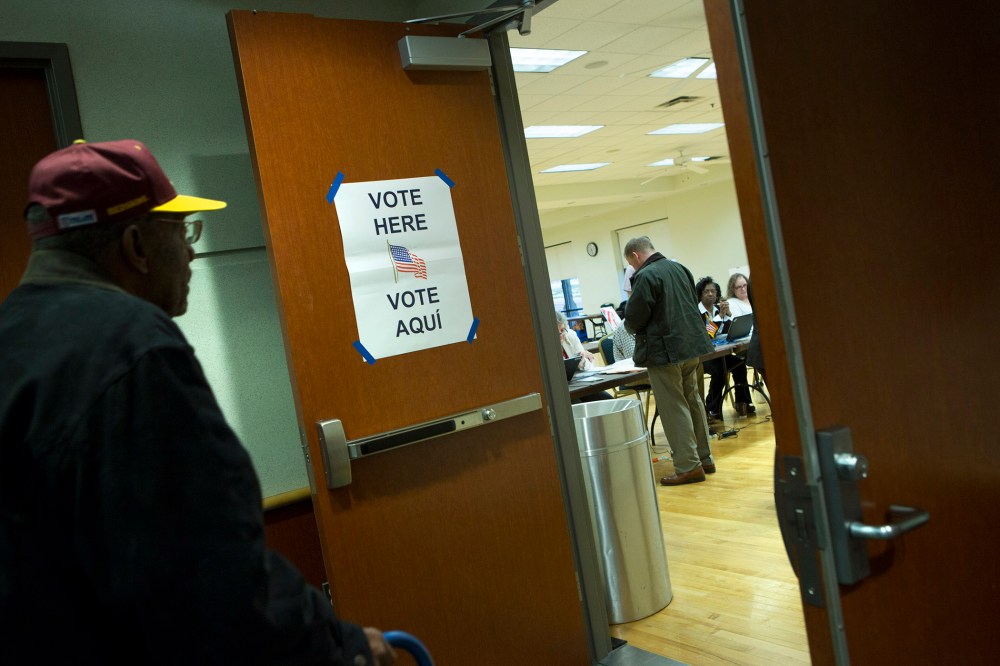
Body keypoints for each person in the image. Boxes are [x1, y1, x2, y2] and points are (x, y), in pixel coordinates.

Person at [0, 139, 396, 665]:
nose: (190, 252)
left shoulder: (13, 340)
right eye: (180, 233)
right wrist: (340, 647)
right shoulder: (136, 350)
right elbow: (210, 573)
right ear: (137, 246)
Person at [623, 236, 715, 485]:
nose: (633, 268)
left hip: (665, 352)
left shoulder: (646, 276)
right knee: (693, 400)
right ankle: (704, 458)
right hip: (692, 347)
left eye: (631, 264)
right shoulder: (680, 268)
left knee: (674, 407)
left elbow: (634, 318)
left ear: (635, 256)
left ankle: (688, 466)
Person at [696, 276, 755, 420]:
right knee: (719, 371)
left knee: (739, 365)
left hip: (720, 353)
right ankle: (712, 408)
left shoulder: (718, 308)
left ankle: (743, 402)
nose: (711, 294)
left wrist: (728, 316)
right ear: (700, 294)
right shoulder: (696, 312)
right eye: (706, 291)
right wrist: (719, 317)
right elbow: (707, 335)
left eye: (713, 291)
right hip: (703, 357)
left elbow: (726, 332)